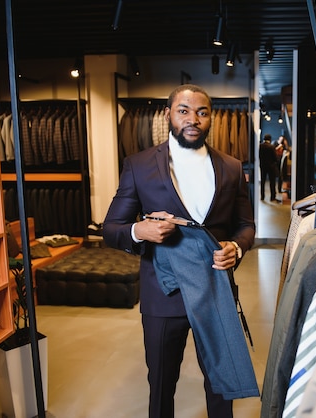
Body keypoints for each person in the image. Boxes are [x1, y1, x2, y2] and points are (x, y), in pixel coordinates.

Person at [103, 84, 258, 418]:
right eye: (184, 110)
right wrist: (138, 230)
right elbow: (110, 228)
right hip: (163, 293)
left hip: (215, 288)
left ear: (210, 118)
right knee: (161, 381)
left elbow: (246, 226)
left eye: (202, 112)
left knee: (222, 381)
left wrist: (236, 247)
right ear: (168, 114)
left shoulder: (231, 167)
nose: (193, 119)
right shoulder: (139, 165)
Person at [259, 133, 280, 202]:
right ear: (270, 139)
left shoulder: (260, 146)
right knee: (272, 182)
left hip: (263, 166)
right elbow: (275, 158)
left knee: (262, 182)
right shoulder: (271, 146)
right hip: (271, 167)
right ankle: (272, 197)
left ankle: (262, 196)